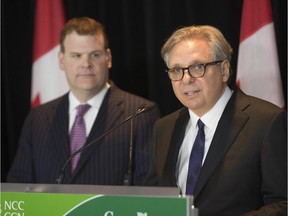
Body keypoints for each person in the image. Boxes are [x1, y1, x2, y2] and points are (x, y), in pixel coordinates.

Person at [144, 25, 287, 215]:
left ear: (225, 70)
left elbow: (283, 203)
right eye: (177, 70)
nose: (186, 79)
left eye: (197, 67)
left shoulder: (267, 122)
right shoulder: (164, 127)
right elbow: (152, 198)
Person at [7, 17, 160, 186]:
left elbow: (149, 188)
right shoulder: (37, 118)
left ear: (108, 58)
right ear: (61, 60)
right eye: (76, 55)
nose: (85, 64)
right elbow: (18, 189)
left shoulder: (140, 113)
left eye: (94, 55)